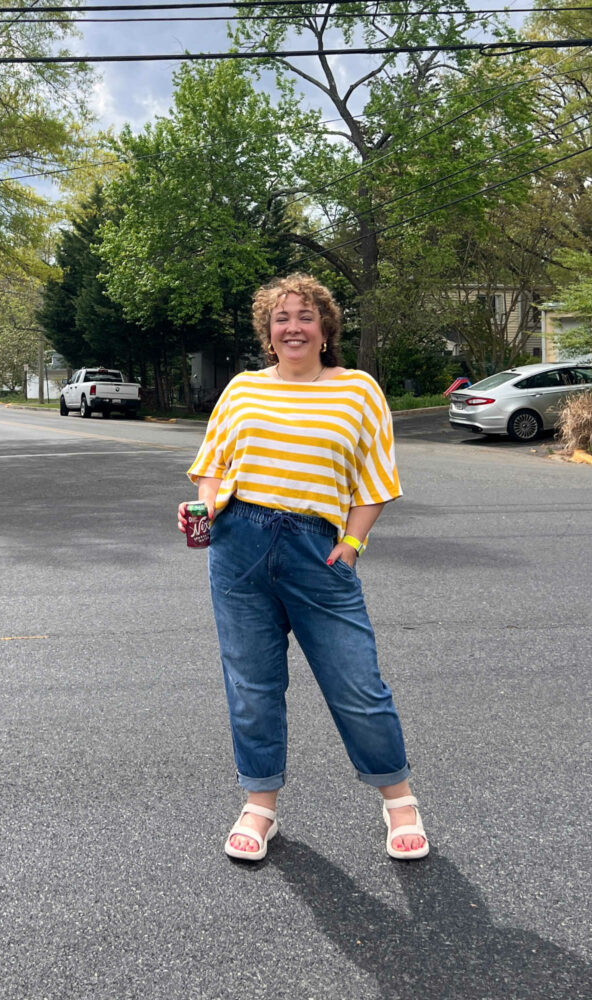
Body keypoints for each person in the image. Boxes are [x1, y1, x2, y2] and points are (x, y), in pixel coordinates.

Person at [178, 274, 428, 863]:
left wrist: (352, 544)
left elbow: (374, 480)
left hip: (319, 548)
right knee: (252, 686)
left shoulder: (359, 392)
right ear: (268, 334)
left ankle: (399, 800)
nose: (293, 327)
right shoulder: (241, 390)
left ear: (325, 329)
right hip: (239, 543)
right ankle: (259, 806)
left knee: (356, 683)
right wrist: (207, 506)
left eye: (305, 316)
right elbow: (213, 465)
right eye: (281, 318)